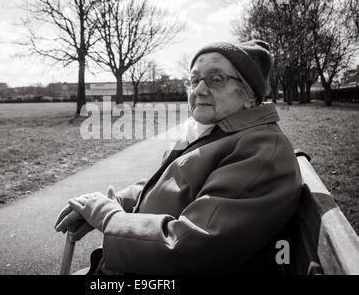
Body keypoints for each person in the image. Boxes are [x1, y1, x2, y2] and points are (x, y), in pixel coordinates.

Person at [55, 40, 302, 275]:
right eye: (194, 80)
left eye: (215, 79)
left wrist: (110, 218)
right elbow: (168, 184)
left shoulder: (261, 149)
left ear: (249, 94)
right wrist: (119, 201)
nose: (199, 90)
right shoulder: (217, 131)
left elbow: (190, 246)